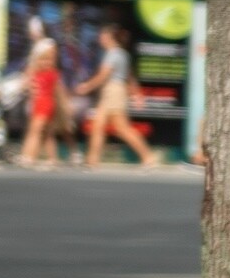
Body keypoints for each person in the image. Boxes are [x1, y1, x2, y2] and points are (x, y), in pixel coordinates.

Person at [76, 25, 160, 169]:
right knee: (98, 125)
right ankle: (92, 160)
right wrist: (137, 93)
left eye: (102, 36)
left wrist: (87, 86)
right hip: (115, 92)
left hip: (113, 92)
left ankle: (148, 156)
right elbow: (129, 77)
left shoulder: (113, 54)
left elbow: (104, 75)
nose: (100, 39)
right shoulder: (122, 54)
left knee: (121, 128)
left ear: (109, 38)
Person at [18, 41, 61, 170]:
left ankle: (29, 156)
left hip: (45, 104)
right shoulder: (37, 72)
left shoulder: (51, 73)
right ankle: (52, 159)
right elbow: (26, 83)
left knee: (35, 131)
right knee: (47, 134)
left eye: (49, 59)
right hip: (39, 103)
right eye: (43, 59)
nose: (46, 62)